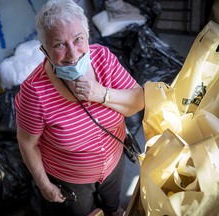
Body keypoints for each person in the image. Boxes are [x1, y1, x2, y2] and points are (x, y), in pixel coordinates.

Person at [15, 0, 144, 215]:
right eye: (58, 44)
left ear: (88, 35)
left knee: (113, 206)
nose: (73, 54)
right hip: (71, 180)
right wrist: (45, 185)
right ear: (43, 49)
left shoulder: (103, 58)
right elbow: (27, 144)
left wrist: (100, 94)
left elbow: (138, 101)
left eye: (78, 39)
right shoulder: (34, 92)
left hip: (114, 161)